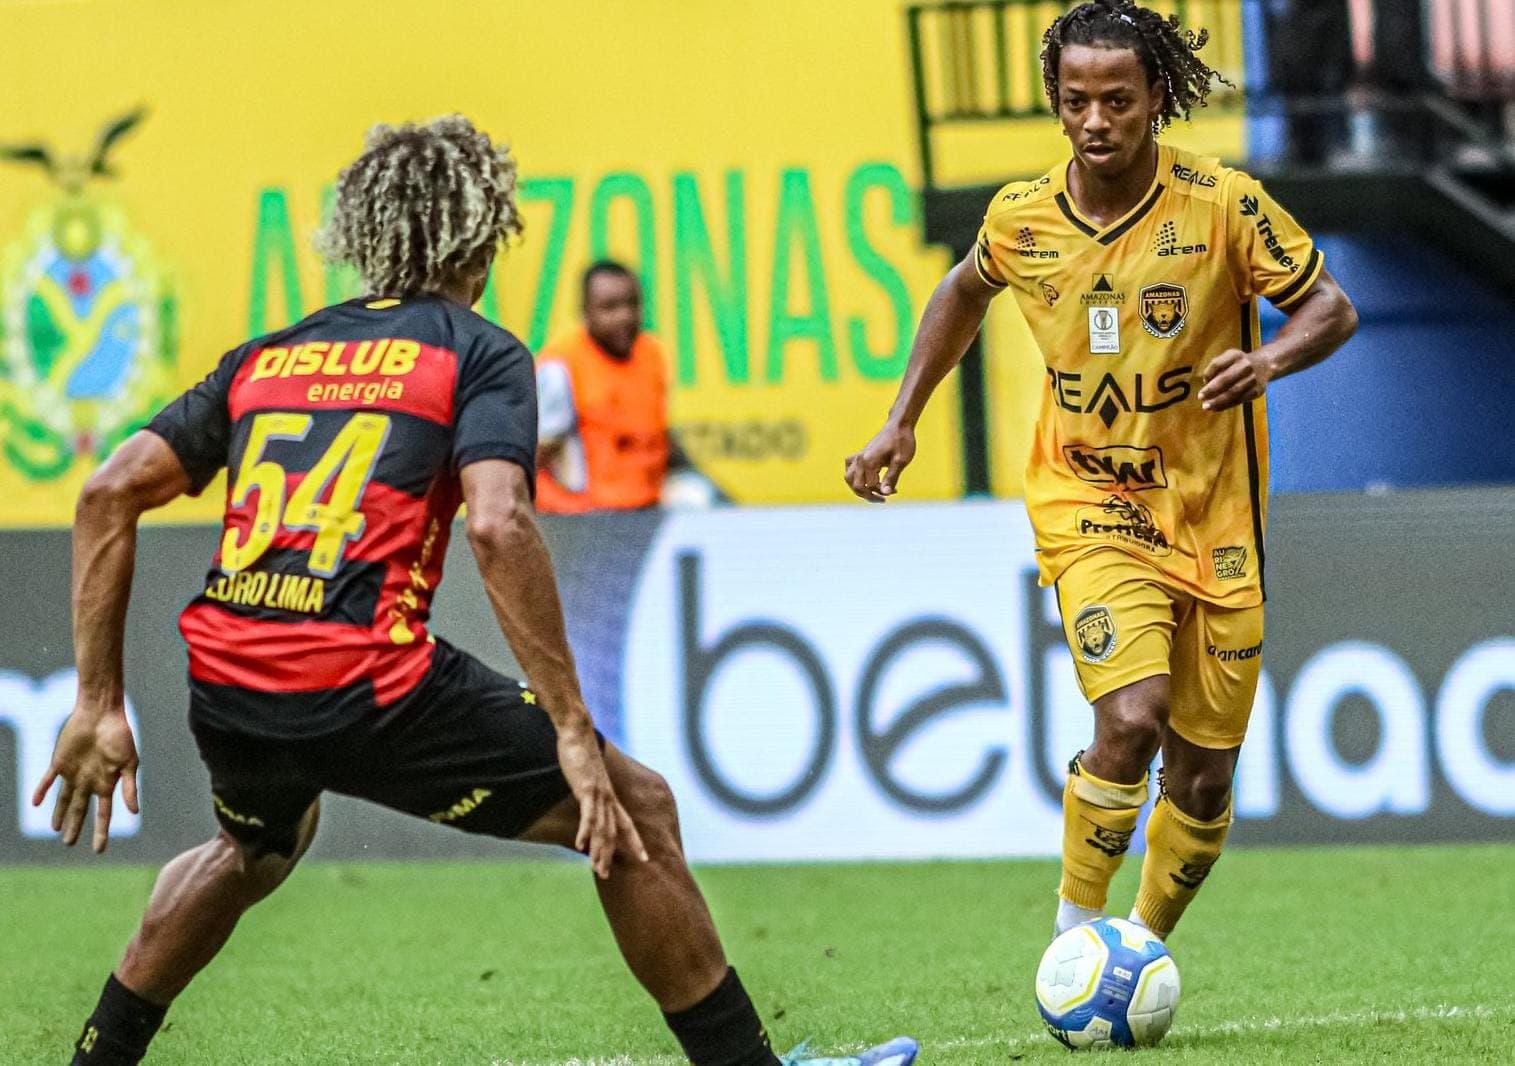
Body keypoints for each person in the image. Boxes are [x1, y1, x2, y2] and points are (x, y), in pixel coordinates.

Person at [35, 115, 916, 1066]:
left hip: (230, 682)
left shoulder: (268, 356)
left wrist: (98, 701)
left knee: (253, 851)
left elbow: (107, 492)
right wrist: (571, 726)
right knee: (636, 810)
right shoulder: (478, 352)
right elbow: (497, 524)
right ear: (481, 240)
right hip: (366, 677)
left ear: (365, 234)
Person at [845, 0, 1357, 943]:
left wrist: (1268, 360)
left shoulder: (1223, 205)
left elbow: (1330, 306)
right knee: (1129, 718)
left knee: (1201, 780)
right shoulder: (1020, 218)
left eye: (1116, 100)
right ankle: (1074, 938)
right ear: (1054, 98)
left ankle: (1139, 948)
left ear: (1156, 96)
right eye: (1075, 100)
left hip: (1217, 517)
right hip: (1089, 501)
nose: (1094, 120)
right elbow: (962, 291)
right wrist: (901, 420)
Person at [537, 260, 724, 511]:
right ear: (585, 312)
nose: (624, 316)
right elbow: (535, 458)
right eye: (610, 307)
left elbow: (656, 436)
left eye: (632, 304)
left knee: (702, 498)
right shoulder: (561, 368)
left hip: (644, 504)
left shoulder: (651, 353)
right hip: (588, 513)